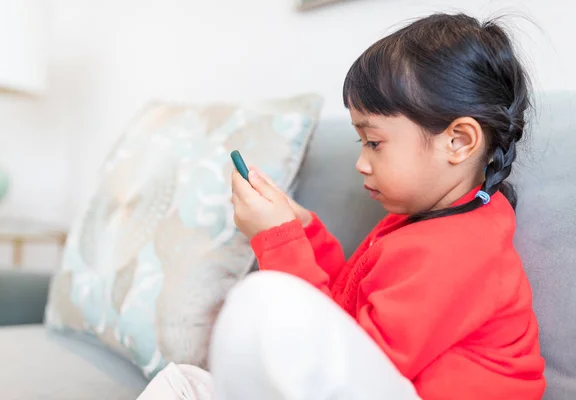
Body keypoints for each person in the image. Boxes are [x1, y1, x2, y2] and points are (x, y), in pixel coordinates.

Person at [139, 12, 545, 400]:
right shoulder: (422, 222)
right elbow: (344, 316)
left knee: (262, 303)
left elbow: (339, 356)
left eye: (374, 142)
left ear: (458, 141)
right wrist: (302, 232)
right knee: (183, 384)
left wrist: (277, 241)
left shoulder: (461, 250)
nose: (361, 162)